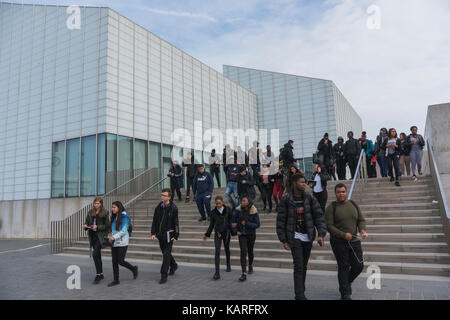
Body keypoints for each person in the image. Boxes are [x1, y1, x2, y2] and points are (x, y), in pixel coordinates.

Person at [276, 174, 327, 300]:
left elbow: (319, 217)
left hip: (308, 236)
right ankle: (299, 294)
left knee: (303, 265)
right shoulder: (286, 199)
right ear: (294, 183)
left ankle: (301, 289)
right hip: (294, 237)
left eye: (304, 182)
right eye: (301, 182)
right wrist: (283, 239)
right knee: (298, 265)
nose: (304, 184)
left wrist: (321, 234)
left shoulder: (310, 199)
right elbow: (281, 220)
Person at [325, 183, 367, 300]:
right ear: (335, 193)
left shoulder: (353, 204)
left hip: (354, 242)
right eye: (338, 192)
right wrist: (343, 235)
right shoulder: (331, 207)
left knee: (358, 266)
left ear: (346, 192)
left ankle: (345, 283)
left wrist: (362, 230)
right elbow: (329, 226)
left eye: (343, 191)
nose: (341, 194)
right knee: (343, 266)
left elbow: (361, 220)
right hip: (338, 242)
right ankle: (345, 293)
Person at [151, 188, 180, 284]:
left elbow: (176, 223)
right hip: (160, 235)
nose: (162, 197)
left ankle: (164, 275)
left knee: (166, 254)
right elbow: (154, 221)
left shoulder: (173, 208)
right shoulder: (158, 207)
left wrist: (176, 235)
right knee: (165, 253)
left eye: (164, 195)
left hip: (169, 235)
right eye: (162, 195)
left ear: (169, 197)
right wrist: (153, 233)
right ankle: (174, 265)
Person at [107, 201, 138, 287]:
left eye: (114, 207)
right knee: (114, 262)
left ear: (119, 208)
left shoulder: (125, 217)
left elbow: (124, 230)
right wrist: (111, 239)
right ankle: (116, 280)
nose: (112, 209)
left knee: (120, 261)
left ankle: (133, 268)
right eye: (112, 207)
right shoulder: (114, 217)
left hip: (123, 242)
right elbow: (113, 230)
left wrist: (114, 237)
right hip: (115, 242)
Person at [231, 196, 261, 282]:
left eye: (244, 201)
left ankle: (250, 265)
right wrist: (236, 231)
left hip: (251, 234)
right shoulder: (238, 210)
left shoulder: (253, 210)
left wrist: (247, 223)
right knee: (243, 252)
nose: (242, 202)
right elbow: (232, 222)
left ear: (248, 202)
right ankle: (243, 273)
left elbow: (257, 224)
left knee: (250, 251)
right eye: (242, 201)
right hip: (242, 234)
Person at [203, 196, 232, 279]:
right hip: (218, 233)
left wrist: (234, 230)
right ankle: (217, 272)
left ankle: (228, 265)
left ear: (222, 202)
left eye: (219, 203)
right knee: (217, 251)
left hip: (226, 233)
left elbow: (231, 220)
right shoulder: (213, 212)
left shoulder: (228, 210)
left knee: (227, 249)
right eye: (216, 204)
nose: (218, 205)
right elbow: (211, 225)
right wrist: (206, 234)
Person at [83, 197, 110, 284]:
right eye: (95, 203)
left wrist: (97, 227)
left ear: (101, 204)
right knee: (97, 255)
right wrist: (85, 226)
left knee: (94, 254)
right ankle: (101, 274)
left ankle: (98, 275)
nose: (96, 205)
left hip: (100, 236)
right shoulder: (91, 212)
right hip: (93, 236)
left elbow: (107, 226)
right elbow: (87, 222)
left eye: (98, 203)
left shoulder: (105, 212)